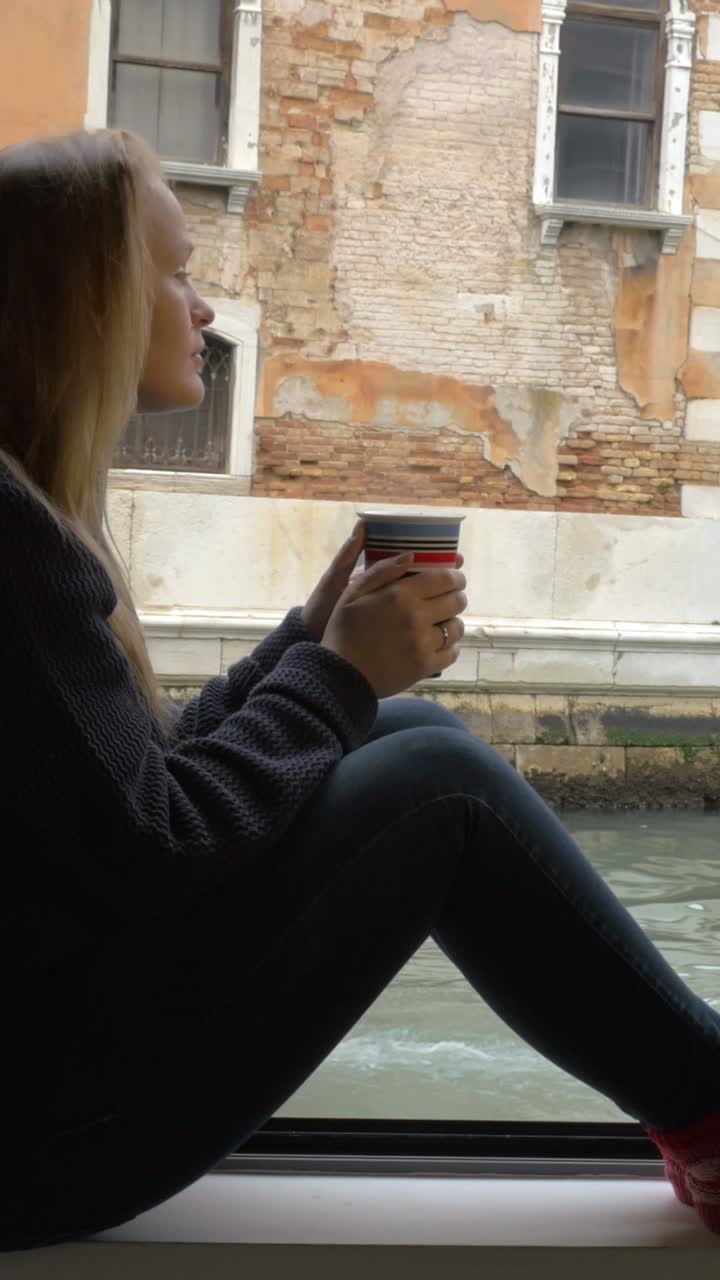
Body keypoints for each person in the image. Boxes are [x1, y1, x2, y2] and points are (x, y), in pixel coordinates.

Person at [0, 127, 719, 1253]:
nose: (202, 303)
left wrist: (309, 636)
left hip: (47, 1091)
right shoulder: (13, 536)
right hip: (46, 1138)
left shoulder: (30, 512)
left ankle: (703, 1101)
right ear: (84, 295)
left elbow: (137, 793)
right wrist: (335, 671)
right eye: (178, 268)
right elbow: (151, 844)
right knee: (439, 782)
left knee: (408, 723)